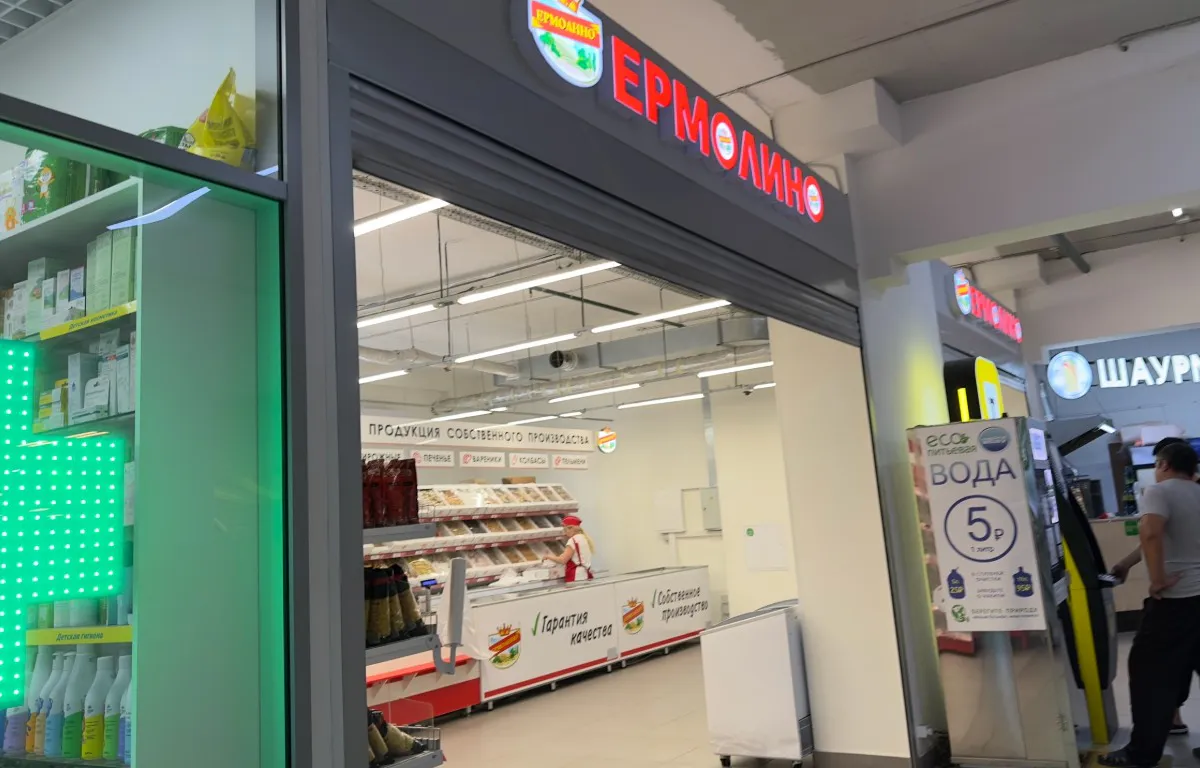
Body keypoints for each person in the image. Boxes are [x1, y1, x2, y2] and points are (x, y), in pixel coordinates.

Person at [1101, 442, 1200, 768]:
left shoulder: (1158, 491)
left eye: (1157, 464)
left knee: (1149, 675)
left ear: (1164, 464)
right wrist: (1128, 563)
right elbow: (1162, 536)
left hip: (1176, 603)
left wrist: (1157, 579)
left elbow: (1151, 533)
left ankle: (1140, 754)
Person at [542, 514, 594, 583]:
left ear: (571, 528)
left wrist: (548, 556)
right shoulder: (584, 538)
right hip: (585, 574)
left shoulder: (573, 540)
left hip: (575, 576)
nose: (565, 533)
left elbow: (563, 560)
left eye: (565, 529)